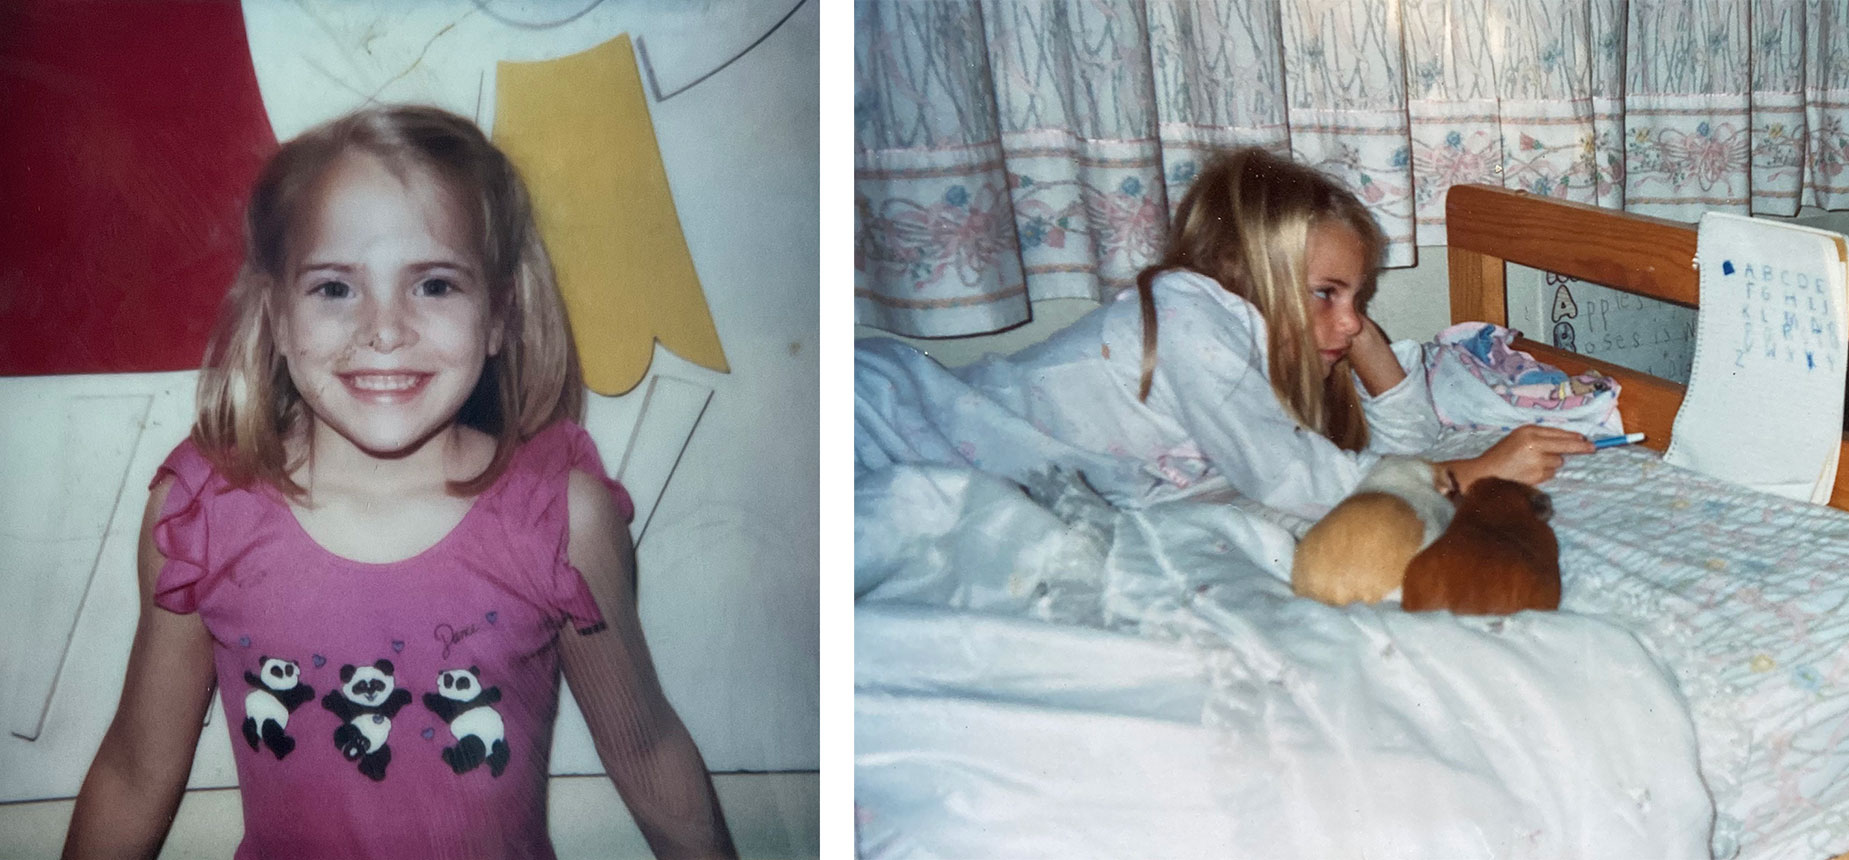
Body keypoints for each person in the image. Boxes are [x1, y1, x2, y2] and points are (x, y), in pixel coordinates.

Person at [63, 105, 736, 860]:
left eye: (435, 285)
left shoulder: (559, 521)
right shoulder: (201, 520)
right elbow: (133, 773)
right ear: (277, 318)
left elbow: (646, 756)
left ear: (501, 315)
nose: (384, 330)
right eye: (335, 289)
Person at [855, 147, 1592, 521]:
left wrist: (1354, 328)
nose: (1347, 317)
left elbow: (1404, 446)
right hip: (887, 421)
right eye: (1326, 292)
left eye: (1358, 294)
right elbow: (1295, 481)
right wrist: (1476, 474)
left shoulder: (1267, 340)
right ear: (1241, 272)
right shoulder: (1187, 312)